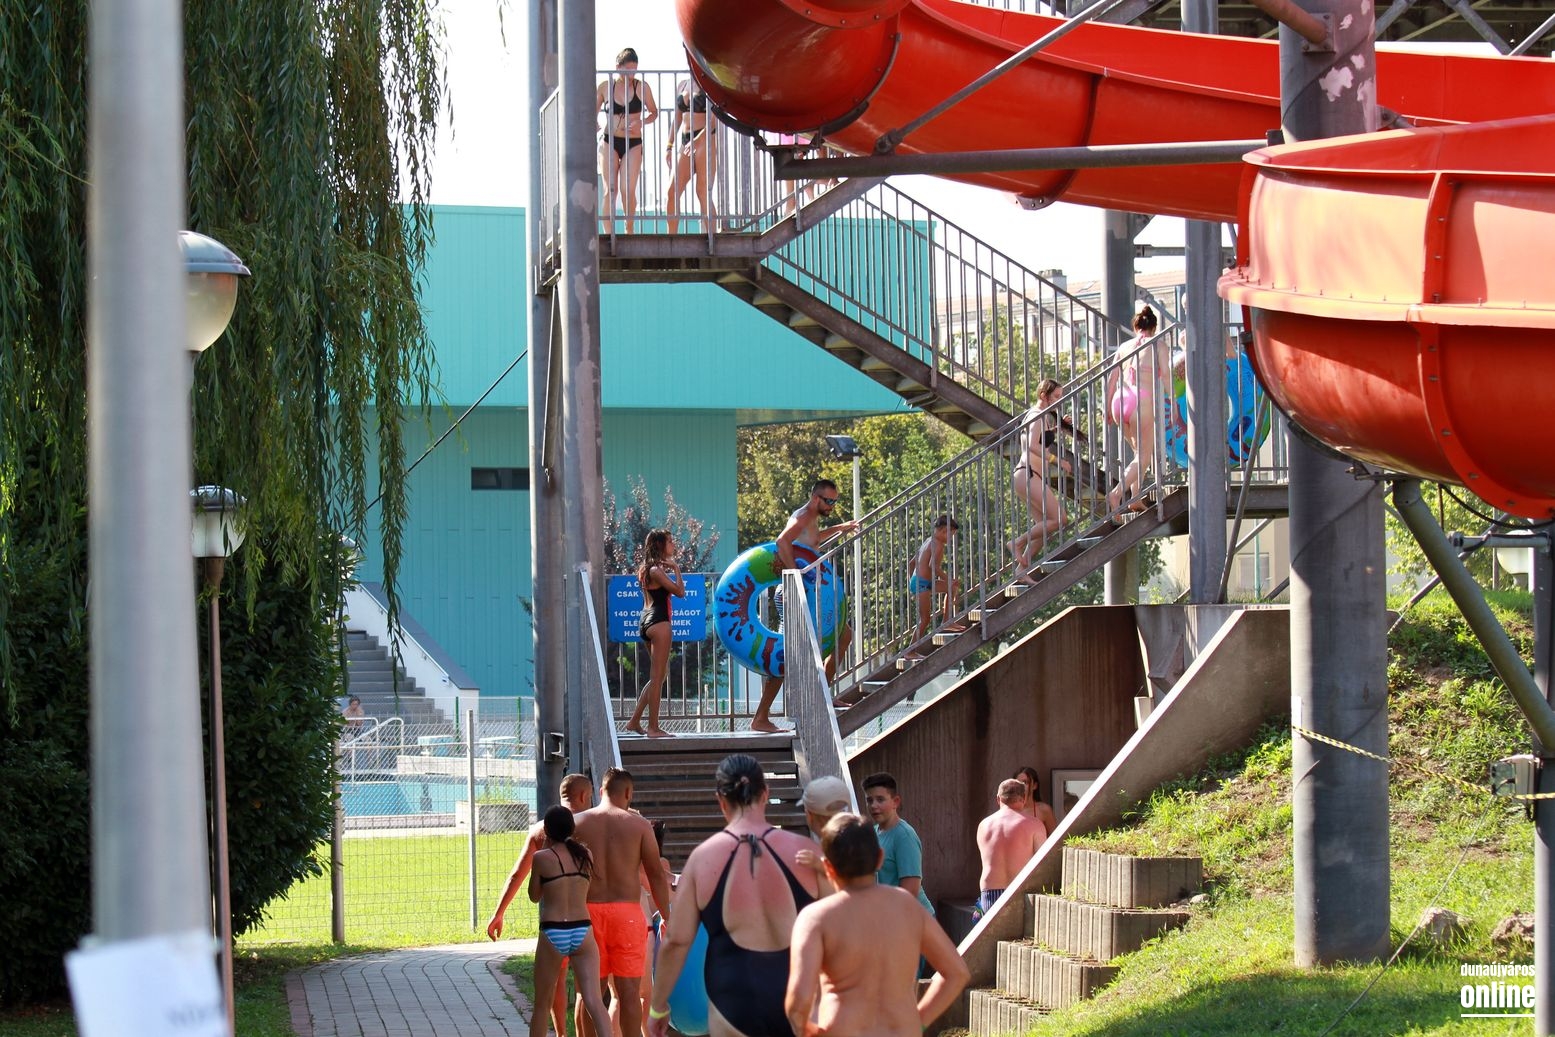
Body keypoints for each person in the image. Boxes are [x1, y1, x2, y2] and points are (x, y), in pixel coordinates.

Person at [646, 754, 822, 1037]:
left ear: (721, 800)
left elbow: (677, 941)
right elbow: (838, 930)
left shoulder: (704, 859)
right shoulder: (807, 853)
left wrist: (658, 1007)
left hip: (733, 1004)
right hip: (794, 999)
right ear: (766, 794)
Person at [784, 814, 970, 1037]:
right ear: (880, 858)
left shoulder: (816, 918)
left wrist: (810, 1032)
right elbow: (956, 972)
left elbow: (799, 1002)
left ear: (828, 867)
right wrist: (919, 1022)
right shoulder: (908, 907)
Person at [488, 774, 595, 1037]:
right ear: (584, 796)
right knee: (589, 990)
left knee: (552, 985)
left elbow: (518, 874)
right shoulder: (593, 823)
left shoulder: (540, 830)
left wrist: (498, 914)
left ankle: (561, 1033)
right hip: (587, 919)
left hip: (553, 924)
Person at [753, 479, 861, 733]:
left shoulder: (811, 519)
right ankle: (760, 717)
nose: (832, 505)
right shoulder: (803, 516)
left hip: (808, 593)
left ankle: (822, 694)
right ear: (815, 498)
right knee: (788, 654)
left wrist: (840, 528)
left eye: (835, 501)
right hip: (793, 592)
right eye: (829, 501)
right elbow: (782, 542)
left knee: (843, 635)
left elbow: (812, 541)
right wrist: (795, 576)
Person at [573, 767, 673, 1037]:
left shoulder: (578, 823)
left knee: (591, 993)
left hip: (587, 914)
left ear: (601, 791)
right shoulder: (639, 825)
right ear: (628, 792)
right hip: (627, 916)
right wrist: (667, 916)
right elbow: (655, 875)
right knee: (629, 993)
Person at [529, 806, 614, 1037]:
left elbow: (534, 896)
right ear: (572, 828)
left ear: (546, 830)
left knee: (542, 1004)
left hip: (554, 930)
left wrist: (545, 850)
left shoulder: (542, 858)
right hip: (582, 930)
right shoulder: (585, 855)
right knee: (594, 1001)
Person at [1106, 305, 1170, 518]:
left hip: (1120, 400)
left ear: (1136, 327)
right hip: (1141, 400)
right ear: (1154, 328)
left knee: (1138, 453)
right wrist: (1174, 401)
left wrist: (1107, 407)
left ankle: (1136, 497)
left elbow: (1112, 378)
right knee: (1144, 455)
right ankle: (1117, 493)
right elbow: (1166, 375)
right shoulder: (1159, 345)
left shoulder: (1124, 346)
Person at [1008, 378, 1071, 584]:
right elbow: (1032, 446)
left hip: (1028, 476)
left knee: (1044, 529)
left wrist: (1057, 430)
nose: (1059, 401)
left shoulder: (1040, 416)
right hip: (1028, 475)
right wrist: (1057, 461)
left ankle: (1021, 569)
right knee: (1060, 519)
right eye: (1056, 396)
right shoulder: (1037, 415)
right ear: (1043, 395)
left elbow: (1039, 438)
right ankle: (1017, 543)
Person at [626, 529, 685, 738]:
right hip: (659, 622)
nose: (673, 544)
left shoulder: (646, 569)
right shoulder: (656, 570)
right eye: (670, 541)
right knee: (657, 676)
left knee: (659, 676)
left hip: (646, 621)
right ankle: (653, 728)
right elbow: (680, 592)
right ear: (660, 545)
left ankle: (634, 721)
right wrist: (676, 568)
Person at [596, 48, 657, 234]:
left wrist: (641, 122)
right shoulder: (606, 86)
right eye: (628, 70)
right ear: (618, 67)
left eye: (634, 70)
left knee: (628, 189)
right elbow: (592, 109)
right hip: (610, 141)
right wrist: (594, 122)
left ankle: (628, 229)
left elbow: (654, 112)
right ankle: (608, 234)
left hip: (633, 142)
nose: (632, 75)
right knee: (610, 189)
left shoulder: (642, 87)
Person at [860, 772, 933, 916]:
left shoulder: (904, 836)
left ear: (896, 802)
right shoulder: (872, 833)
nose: (873, 805)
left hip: (913, 919)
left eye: (880, 799)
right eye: (869, 800)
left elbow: (910, 891)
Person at [974, 779, 1048, 920]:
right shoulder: (1034, 825)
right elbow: (1043, 863)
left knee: (993, 933)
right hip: (1021, 889)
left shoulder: (984, 825)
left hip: (990, 892)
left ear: (998, 798)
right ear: (1024, 799)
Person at [907, 514, 965, 657]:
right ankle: (910, 652)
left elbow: (911, 563)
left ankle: (947, 621)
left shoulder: (928, 541)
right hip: (921, 584)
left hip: (921, 582)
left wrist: (911, 582)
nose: (951, 538)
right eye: (951, 535)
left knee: (952, 588)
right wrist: (948, 578)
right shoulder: (938, 545)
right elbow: (933, 566)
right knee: (925, 619)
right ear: (944, 531)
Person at [665, 78, 717, 234]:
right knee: (672, 191)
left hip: (704, 140)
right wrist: (669, 145)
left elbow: (713, 121)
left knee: (702, 191)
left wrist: (697, 140)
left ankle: (712, 237)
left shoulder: (709, 83)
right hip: (685, 141)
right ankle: (671, 238)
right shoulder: (683, 84)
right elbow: (678, 117)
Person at [794, 774, 852, 887]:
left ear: (809, 815)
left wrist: (819, 864)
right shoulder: (858, 838)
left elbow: (847, 876)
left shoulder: (835, 846)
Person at [1011, 765, 1059, 836]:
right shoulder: (1010, 809)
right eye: (1018, 783)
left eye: (1025, 782)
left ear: (1034, 785)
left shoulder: (1044, 810)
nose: (1021, 786)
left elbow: (1055, 837)